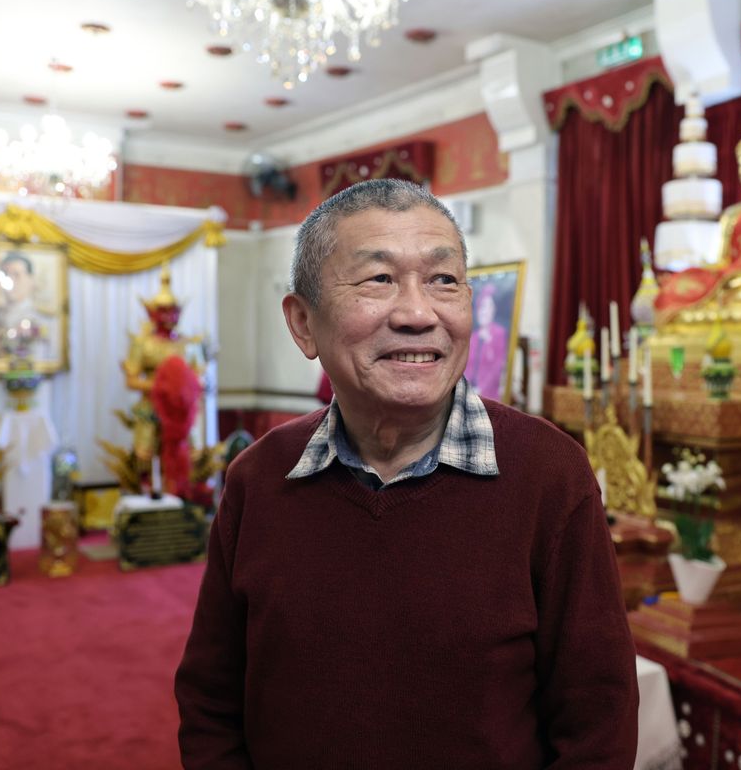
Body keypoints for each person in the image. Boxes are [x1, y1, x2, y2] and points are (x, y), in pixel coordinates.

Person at [175, 179, 639, 768]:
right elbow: (211, 701)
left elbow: (598, 721)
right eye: (379, 279)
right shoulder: (260, 479)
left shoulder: (548, 474)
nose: (419, 314)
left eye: (444, 280)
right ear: (302, 323)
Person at [0, 251, 57, 361]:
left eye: (16, 275)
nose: (10, 280)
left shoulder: (44, 318)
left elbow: (49, 357)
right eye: (6, 275)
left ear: (31, 280)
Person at [464, 281, 509, 401]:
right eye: (481, 307)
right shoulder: (473, 336)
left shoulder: (499, 334)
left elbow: (497, 368)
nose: (483, 311)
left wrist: (481, 390)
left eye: (488, 307)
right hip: (469, 395)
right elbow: (466, 369)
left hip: (491, 396)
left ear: (494, 310)